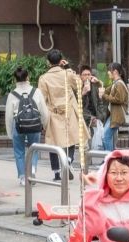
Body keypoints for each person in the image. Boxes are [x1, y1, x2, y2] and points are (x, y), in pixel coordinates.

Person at [38, 49, 87, 182]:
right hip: (69, 111)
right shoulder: (67, 74)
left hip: (53, 113)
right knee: (71, 139)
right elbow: (79, 85)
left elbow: (42, 99)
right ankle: (69, 161)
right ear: (61, 61)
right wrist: (68, 67)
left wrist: (43, 120)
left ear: (48, 62)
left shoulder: (43, 78)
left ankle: (57, 173)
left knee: (53, 142)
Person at [4, 66, 49, 186]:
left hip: (18, 124)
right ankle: (32, 168)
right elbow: (44, 111)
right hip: (35, 123)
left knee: (19, 152)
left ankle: (23, 177)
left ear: (15, 80)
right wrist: (44, 124)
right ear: (28, 77)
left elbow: (8, 115)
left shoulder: (12, 94)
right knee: (33, 149)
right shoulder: (36, 91)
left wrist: (9, 132)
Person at [100, 62, 129, 152]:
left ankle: (110, 159)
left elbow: (119, 99)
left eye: (109, 71)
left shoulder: (119, 84)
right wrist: (98, 84)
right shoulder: (115, 83)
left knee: (106, 137)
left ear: (115, 71)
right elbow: (106, 90)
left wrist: (104, 96)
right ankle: (108, 158)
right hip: (114, 115)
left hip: (117, 116)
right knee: (105, 136)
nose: (108, 73)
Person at [79, 65, 106, 134]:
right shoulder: (77, 87)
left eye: (88, 74)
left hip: (95, 116)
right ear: (81, 76)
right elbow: (77, 105)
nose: (87, 76)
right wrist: (83, 93)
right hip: (84, 118)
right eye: (84, 75)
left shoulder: (94, 86)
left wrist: (101, 115)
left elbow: (100, 101)